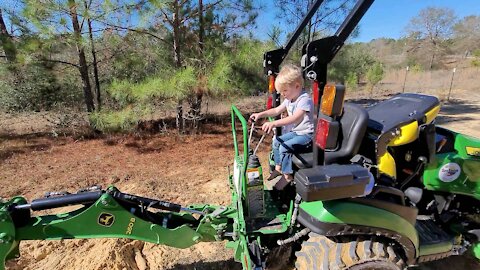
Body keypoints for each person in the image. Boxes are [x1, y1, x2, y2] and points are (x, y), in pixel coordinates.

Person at [250, 64, 314, 190]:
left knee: (285, 147)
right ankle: (278, 167)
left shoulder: (304, 99)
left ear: (297, 86)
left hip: (308, 135)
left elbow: (295, 118)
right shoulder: (289, 99)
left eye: (285, 91)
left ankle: (287, 176)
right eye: (281, 92)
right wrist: (260, 114)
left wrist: (274, 123)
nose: (283, 94)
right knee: (277, 141)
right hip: (298, 132)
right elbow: (276, 111)